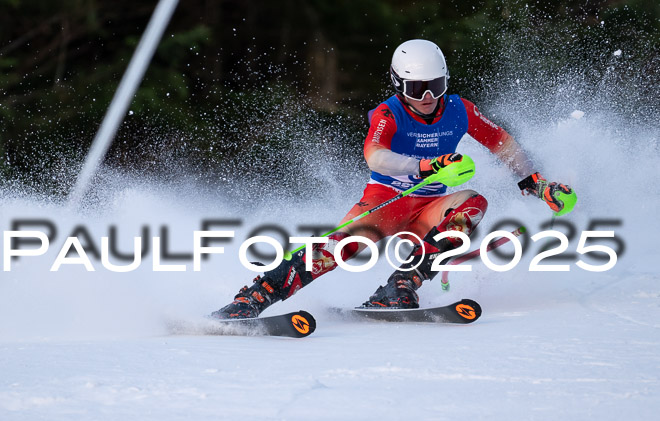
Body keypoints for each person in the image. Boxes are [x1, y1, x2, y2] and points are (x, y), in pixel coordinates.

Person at [212, 39, 576, 319]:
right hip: (386, 201)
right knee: (342, 248)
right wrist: (425, 166)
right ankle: (256, 296)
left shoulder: (460, 110)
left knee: (472, 204)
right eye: (418, 89)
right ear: (400, 85)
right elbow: (376, 155)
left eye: (435, 85)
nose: (429, 98)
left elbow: (503, 142)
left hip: (428, 208)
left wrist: (534, 180)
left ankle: (400, 287)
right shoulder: (389, 113)